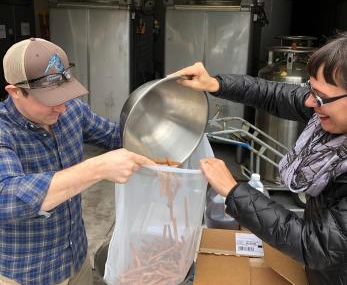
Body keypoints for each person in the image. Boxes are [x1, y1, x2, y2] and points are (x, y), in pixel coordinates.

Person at [173, 35, 347, 285]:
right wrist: (214, 84)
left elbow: (315, 245)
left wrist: (234, 191)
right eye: (311, 90)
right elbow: (273, 93)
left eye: (319, 97)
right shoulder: (329, 115)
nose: (309, 102)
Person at [0, 38, 154, 285]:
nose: (61, 108)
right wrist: (99, 167)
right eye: (49, 99)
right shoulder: (4, 130)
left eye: (64, 94)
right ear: (15, 92)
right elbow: (7, 197)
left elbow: (118, 137)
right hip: (29, 273)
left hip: (76, 258)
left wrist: (164, 124)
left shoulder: (72, 110)